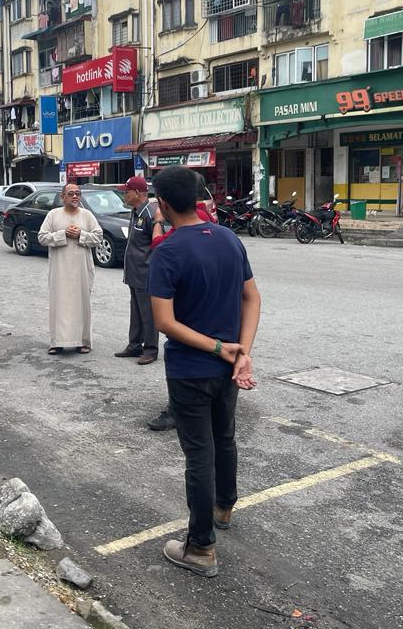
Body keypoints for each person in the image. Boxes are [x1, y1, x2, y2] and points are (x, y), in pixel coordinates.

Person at [148, 166, 261, 578]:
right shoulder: (229, 238)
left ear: (161, 204)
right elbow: (252, 298)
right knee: (224, 437)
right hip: (227, 366)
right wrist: (241, 352)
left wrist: (219, 347)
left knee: (199, 452)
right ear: (197, 200)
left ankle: (200, 547)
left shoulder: (168, 251)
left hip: (191, 369)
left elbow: (164, 321)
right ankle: (223, 508)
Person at [144, 200, 215, 432]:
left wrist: (157, 222)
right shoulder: (214, 226)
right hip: (215, 299)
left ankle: (177, 410)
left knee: (187, 352)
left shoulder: (180, 230)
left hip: (188, 304)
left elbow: (157, 245)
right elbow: (251, 296)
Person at [38, 183, 103, 355]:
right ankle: (57, 342)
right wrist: (63, 234)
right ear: (62, 196)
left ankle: (83, 341)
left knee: (82, 303)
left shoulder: (87, 215)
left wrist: (80, 235)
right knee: (59, 303)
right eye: (71, 193)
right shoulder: (53, 215)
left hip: (81, 268)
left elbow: (98, 237)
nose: (75, 196)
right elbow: (42, 237)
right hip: (60, 269)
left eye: (77, 193)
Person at [115, 176, 159, 366]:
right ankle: (134, 344)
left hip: (146, 272)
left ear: (139, 193)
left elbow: (158, 244)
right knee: (137, 311)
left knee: (148, 313)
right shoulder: (136, 211)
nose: (124, 195)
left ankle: (150, 349)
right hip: (134, 272)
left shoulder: (151, 214)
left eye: (127, 192)